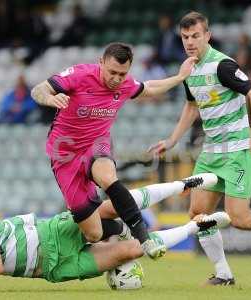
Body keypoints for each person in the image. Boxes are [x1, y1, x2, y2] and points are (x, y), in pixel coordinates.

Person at [0, 175, 228, 293]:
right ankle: (196, 226)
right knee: (129, 252)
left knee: (110, 206)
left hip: (52, 233)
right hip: (52, 269)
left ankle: (183, 184)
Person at [148, 11, 251, 286]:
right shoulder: (188, 68)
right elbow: (191, 106)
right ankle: (223, 274)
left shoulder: (222, 65)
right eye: (185, 37)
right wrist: (172, 140)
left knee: (240, 219)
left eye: (195, 36)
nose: (190, 42)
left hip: (236, 151)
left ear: (207, 36)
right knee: (198, 214)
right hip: (210, 153)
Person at [31, 42, 197, 259]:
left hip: (96, 143)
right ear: (101, 62)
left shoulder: (124, 84)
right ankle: (123, 229)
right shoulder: (80, 75)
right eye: (112, 72)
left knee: (108, 176)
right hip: (65, 154)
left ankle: (144, 237)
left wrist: (179, 77)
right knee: (94, 233)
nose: (117, 79)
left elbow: (150, 88)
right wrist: (50, 98)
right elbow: (38, 89)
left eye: (122, 74)